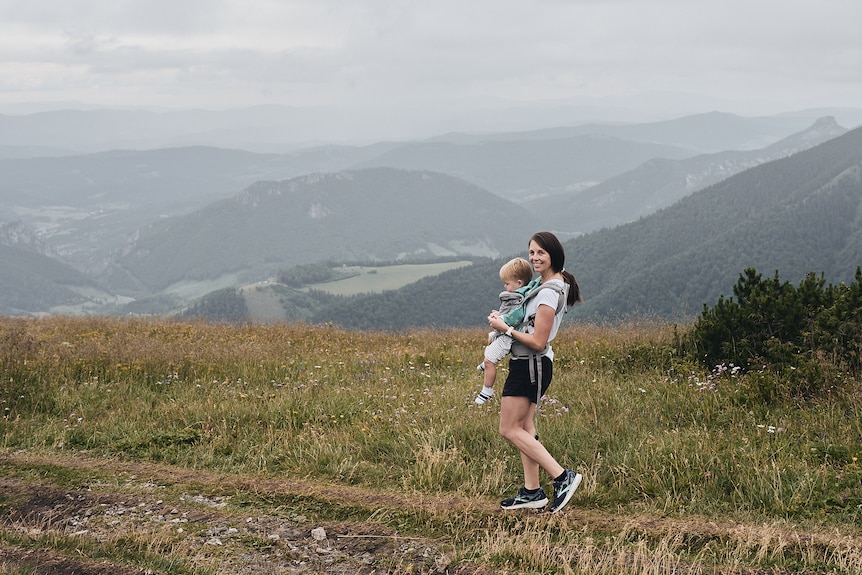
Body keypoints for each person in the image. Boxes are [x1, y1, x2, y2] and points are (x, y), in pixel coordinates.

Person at [488, 231, 584, 513]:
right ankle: (532, 492)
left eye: (541, 252)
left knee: (508, 428)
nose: (534, 257)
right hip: (530, 364)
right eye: (531, 252)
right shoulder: (547, 284)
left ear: (554, 254)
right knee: (525, 428)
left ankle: (562, 477)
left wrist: (505, 329)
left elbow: (538, 341)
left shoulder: (548, 293)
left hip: (530, 363)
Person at [475, 257, 538, 405]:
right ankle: (487, 364)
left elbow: (515, 317)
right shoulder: (522, 294)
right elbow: (513, 313)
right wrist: (500, 314)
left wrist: (499, 320)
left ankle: (487, 390)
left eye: (507, 283)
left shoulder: (516, 298)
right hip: (507, 330)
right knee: (490, 338)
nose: (505, 286)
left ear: (519, 283)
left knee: (489, 360)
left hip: (509, 335)